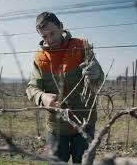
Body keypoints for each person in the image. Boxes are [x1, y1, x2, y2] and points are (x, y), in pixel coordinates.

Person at [26, 12, 104, 163]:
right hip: (56, 127)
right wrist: (43, 97)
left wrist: (96, 72)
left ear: (61, 27)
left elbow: (98, 79)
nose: (49, 39)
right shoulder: (39, 58)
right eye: (44, 36)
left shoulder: (81, 46)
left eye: (52, 33)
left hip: (85, 122)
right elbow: (32, 88)